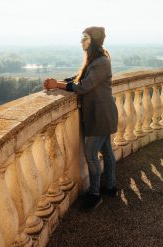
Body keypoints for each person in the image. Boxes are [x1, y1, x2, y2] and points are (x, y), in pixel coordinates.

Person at [43, 26, 118, 211]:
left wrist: (57, 84)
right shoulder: (95, 60)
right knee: (107, 151)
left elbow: (84, 86)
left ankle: (94, 194)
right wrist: (59, 82)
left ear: (92, 40)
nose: (81, 42)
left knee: (91, 155)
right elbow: (78, 77)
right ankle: (110, 186)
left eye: (84, 38)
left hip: (100, 115)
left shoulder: (101, 62)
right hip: (102, 114)